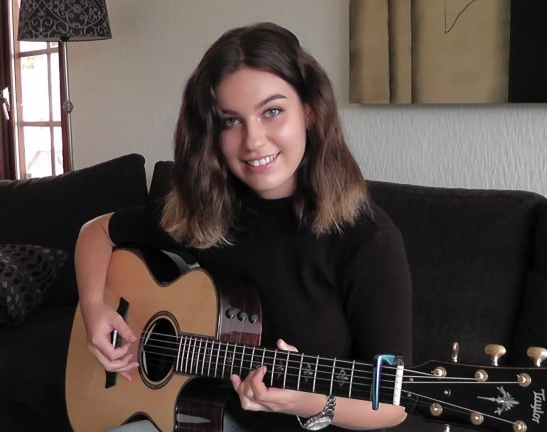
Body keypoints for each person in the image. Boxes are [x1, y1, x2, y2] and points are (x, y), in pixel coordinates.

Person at [75, 22, 413, 432]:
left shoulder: (368, 239)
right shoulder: (206, 210)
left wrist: (307, 402)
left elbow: (393, 403)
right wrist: (95, 309)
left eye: (272, 111)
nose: (253, 140)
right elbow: (97, 231)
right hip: (202, 416)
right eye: (230, 121)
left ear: (309, 111)